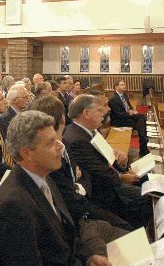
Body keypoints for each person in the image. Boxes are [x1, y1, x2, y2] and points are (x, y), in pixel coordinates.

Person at [0, 111, 125, 266]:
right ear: (27, 153)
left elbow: (65, 236)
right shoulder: (12, 206)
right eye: (50, 142)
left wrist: (89, 257)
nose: (60, 145)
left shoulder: (43, 176)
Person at [29, 96, 134, 231]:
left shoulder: (66, 141)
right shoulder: (58, 150)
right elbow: (70, 193)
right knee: (127, 226)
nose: (103, 113)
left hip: (92, 194)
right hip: (84, 208)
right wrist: (78, 183)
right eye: (99, 110)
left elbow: (84, 174)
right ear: (63, 118)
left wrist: (120, 166)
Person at [64, 95, 152, 228]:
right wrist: (122, 176)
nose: (105, 112)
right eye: (99, 110)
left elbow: (104, 157)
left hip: (109, 183)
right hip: (100, 194)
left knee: (149, 189)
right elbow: (98, 171)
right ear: (86, 113)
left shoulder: (89, 131)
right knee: (147, 200)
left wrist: (117, 158)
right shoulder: (77, 139)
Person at [108, 80, 149, 156]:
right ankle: (143, 144)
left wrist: (132, 110)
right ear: (116, 87)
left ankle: (143, 143)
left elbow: (129, 106)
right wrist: (130, 114)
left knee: (141, 118)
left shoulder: (124, 95)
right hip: (119, 122)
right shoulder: (113, 99)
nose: (124, 86)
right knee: (141, 119)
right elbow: (119, 115)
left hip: (126, 118)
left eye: (124, 84)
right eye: (122, 85)